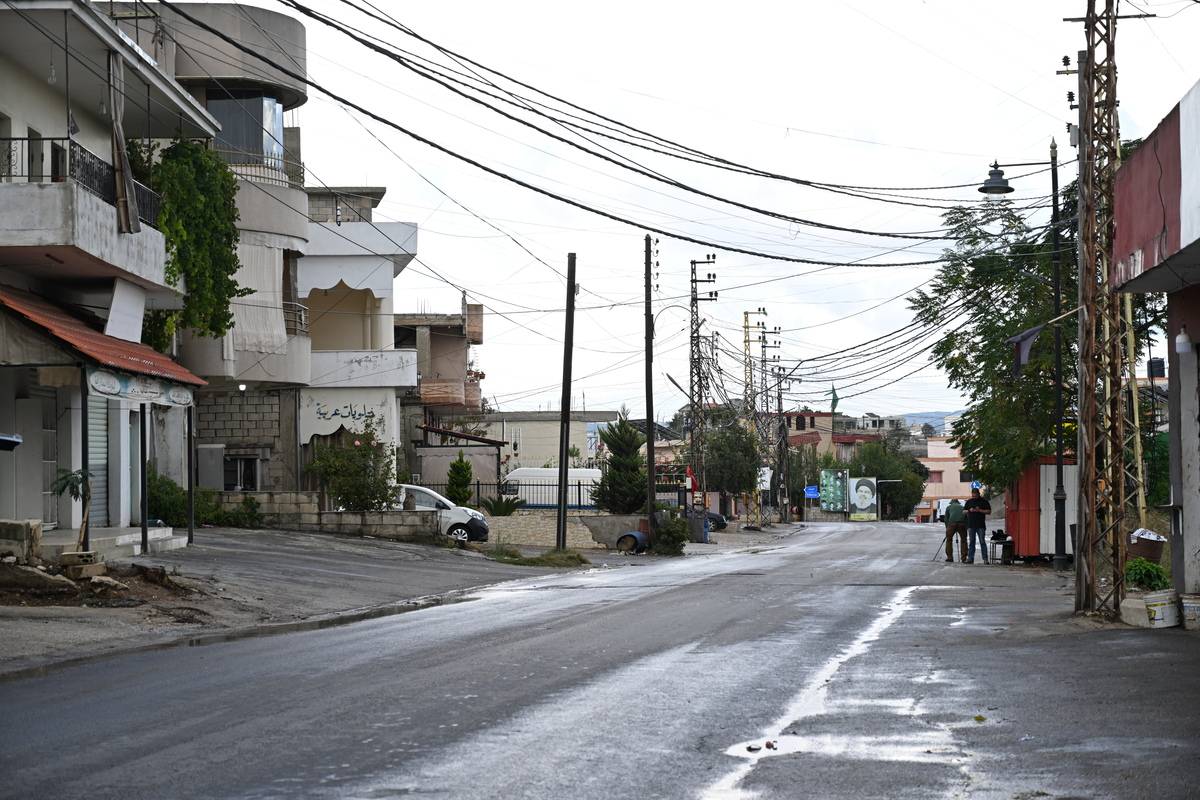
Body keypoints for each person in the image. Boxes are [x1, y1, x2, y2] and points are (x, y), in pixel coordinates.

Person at [964, 488, 992, 564]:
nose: (974, 496)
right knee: (971, 542)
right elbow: (963, 511)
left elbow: (989, 511)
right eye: (973, 495)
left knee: (982, 542)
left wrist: (980, 510)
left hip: (980, 525)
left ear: (978, 494)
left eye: (975, 495)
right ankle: (970, 559)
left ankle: (985, 559)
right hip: (971, 525)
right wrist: (970, 510)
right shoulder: (969, 501)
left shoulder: (984, 501)